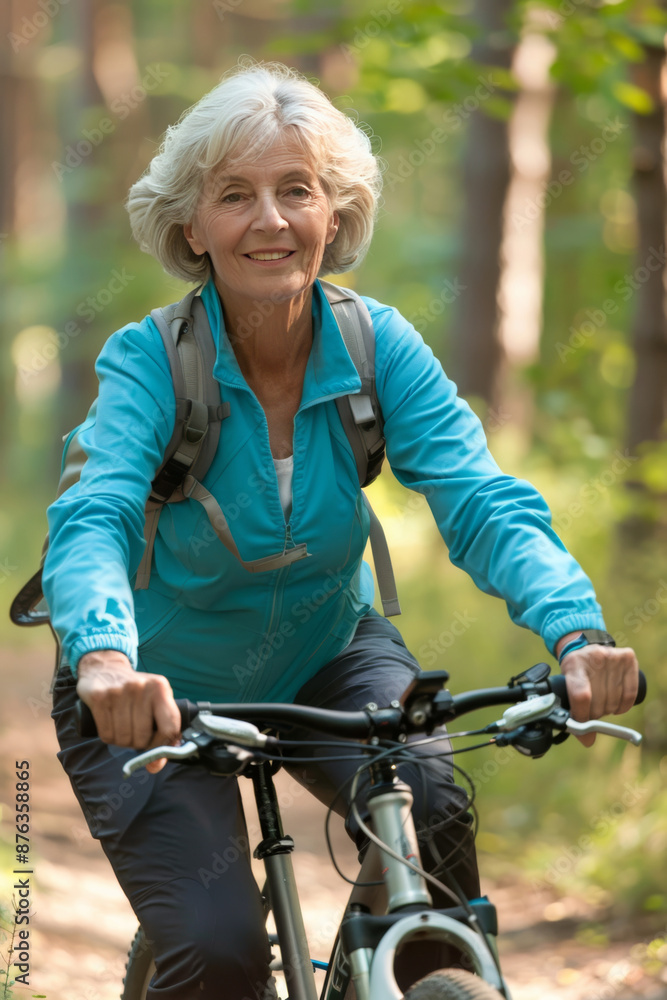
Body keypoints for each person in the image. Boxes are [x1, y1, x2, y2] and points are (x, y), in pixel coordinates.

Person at [44, 59, 639, 999]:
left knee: (432, 811)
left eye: (297, 191)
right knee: (220, 950)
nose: (270, 220)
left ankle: (401, 965)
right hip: (150, 684)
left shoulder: (376, 344)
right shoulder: (151, 362)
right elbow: (95, 516)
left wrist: (577, 630)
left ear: (336, 213)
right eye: (235, 195)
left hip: (326, 652)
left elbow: (481, 498)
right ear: (192, 225)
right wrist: (106, 661)